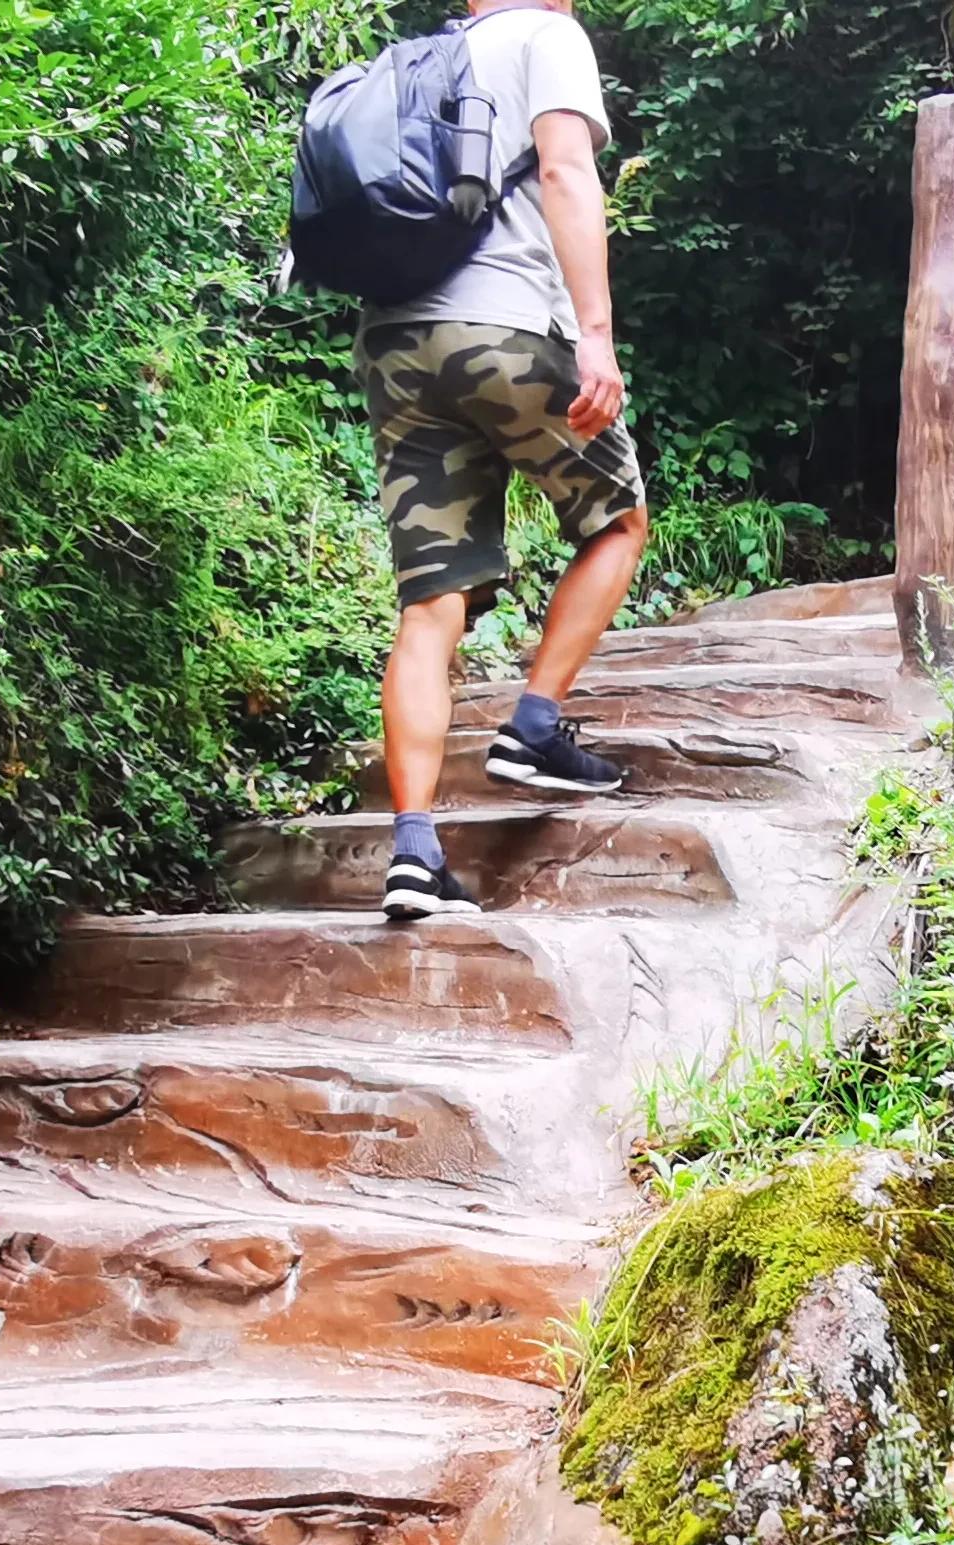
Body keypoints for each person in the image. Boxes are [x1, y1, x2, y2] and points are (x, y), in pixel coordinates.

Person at [359, 0, 645, 922]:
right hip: (505, 328)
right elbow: (564, 170)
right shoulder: (547, 36)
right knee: (618, 521)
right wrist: (595, 336)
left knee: (430, 605)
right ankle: (530, 725)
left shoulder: (422, 60)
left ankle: (413, 851)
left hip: (394, 342)